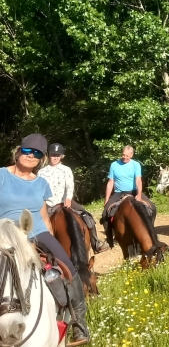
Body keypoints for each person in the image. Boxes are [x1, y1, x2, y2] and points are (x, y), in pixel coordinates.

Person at [0, 134, 90, 346]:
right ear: (18, 151)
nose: (31, 156)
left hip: (36, 232)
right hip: (3, 232)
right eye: (27, 150)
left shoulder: (41, 183)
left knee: (69, 268)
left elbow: (43, 216)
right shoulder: (1, 175)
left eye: (37, 153)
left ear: (41, 158)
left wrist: (47, 237)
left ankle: (79, 324)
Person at [39, 143, 110, 253]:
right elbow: (40, 188)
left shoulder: (66, 170)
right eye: (53, 155)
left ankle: (96, 242)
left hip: (64, 202)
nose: (55, 157)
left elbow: (70, 185)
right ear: (48, 155)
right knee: (36, 224)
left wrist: (68, 198)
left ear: (62, 156)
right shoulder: (42, 172)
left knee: (86, 215)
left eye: (58, 155)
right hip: (47, 204)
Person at [102, 145, 156, 226]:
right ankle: (109, 236)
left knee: (153, 207)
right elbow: (110, 182)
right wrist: (107, 199)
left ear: (131, 155)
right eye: (123, 154)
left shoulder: (136, 165)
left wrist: (139, 194)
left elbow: (138, 181)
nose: (124, 157)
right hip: (119, 192)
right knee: (105, 213)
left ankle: (150, 229)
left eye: (127, 155)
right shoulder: (114, 165)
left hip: (133, 191)